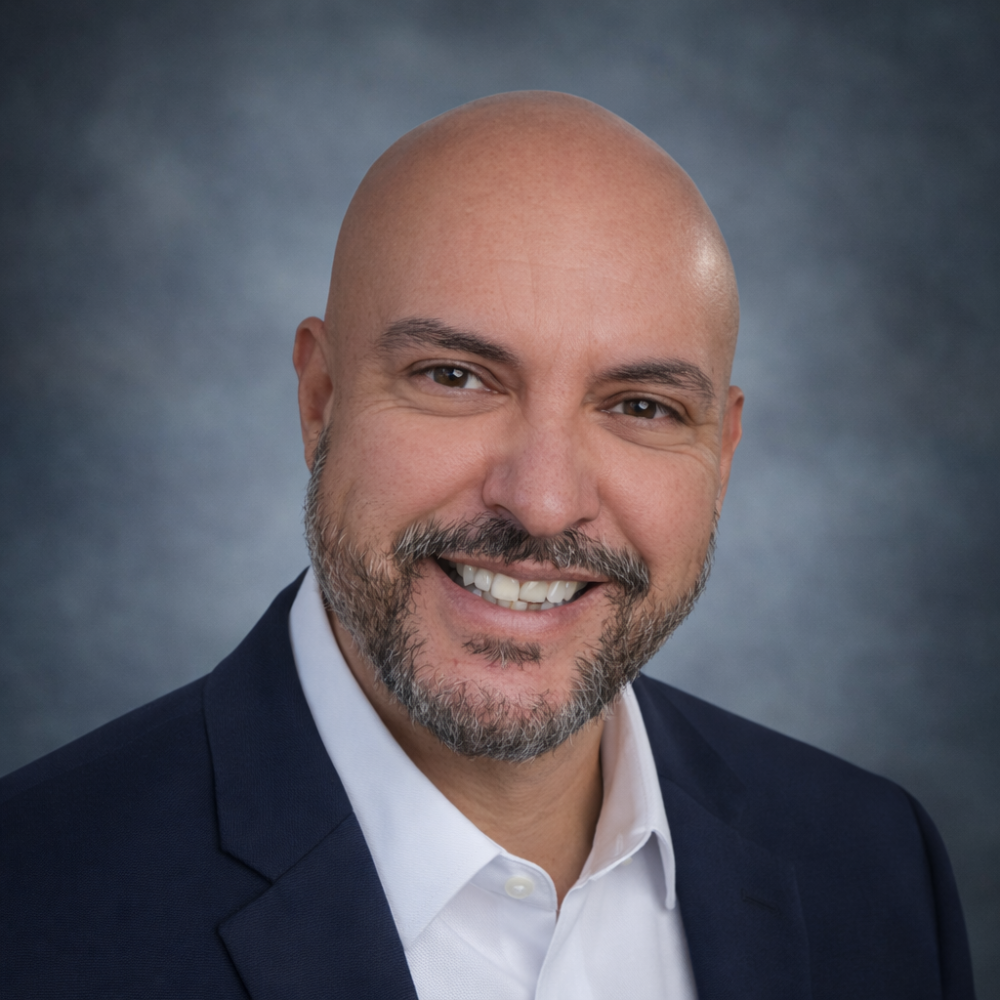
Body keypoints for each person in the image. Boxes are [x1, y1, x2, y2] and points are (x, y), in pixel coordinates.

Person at [0, 92, 975, 999]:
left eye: (640, 405)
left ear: (719, 454)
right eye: (456, 377)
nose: (544, 502)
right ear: (320, 400)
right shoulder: (32, 903)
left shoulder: (874, 869)